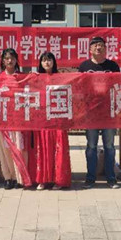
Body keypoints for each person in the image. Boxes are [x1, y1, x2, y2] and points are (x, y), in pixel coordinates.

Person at [78, 36, 121, 189]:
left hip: (108, 113)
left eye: (101, 45)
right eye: (95, 45)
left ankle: (111, 178)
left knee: (109, 146)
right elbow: (79, 88)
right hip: (91, 114)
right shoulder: (84, 66)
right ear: (90, 49)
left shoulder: (113, 66)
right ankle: (90, 178)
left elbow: (119, 86)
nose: (98, 47)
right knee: (91, 146)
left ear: (105, 48)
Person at [32, 52, 72, 190]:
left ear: (54, 62)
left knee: (58, 149)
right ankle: (43, 179)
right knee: (43, 149)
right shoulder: (36, 79)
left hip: (58, 119)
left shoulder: (61, 78)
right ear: (40, 63)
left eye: (49, 60)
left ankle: (59, 180)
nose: (47, 63)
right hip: (43, 120)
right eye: (44, 60)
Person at [0, 48, 31, 190]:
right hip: (3, 119)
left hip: (19, 119)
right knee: (5, 149)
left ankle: (19, 177)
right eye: (7, 58)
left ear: (16, 60)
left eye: (12, 58)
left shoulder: (22, 78)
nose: (10, 61)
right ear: (3, 61)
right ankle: (8, 177)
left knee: (19, 148)